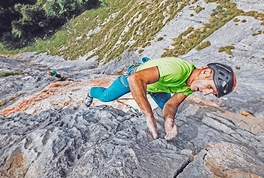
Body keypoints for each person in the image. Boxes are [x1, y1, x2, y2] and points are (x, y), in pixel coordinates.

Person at [85, 57, 236, 140]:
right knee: (106, 97)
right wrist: (148, 116)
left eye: (211, 93)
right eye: (209, 87)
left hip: (158, 87)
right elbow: (134, 79)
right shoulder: (177, 70)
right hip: (134, 78)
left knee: (166, 112)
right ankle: (91, 92)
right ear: (206, 72)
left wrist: (169, 119)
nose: (205, 93)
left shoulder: (190, 85)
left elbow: (172, 104)